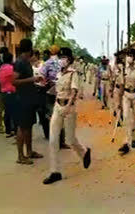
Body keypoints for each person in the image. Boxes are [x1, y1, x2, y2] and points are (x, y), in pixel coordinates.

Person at [43, 47, 91, 185]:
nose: (61, 60)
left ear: (69, 60)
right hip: (57, 106)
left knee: (70, 140)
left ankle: (84, 152)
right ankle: (55, 171)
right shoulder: (59, 74)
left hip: (68, 108)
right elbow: (57, 89)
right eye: (60, 57)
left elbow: (74, 91)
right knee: (53, 139)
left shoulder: (73, 74)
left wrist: (68, 105)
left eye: (64, 58)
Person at [13, 39, 44, 165]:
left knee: (29, 126)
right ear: (30, 49)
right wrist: (32, 79)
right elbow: (13, 81)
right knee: (22, 127)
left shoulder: (26, 62)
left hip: (29, 99)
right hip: (22, 99)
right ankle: (20, 156)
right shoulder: (20, 63)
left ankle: (29, 151)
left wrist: (34, 81)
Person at [42, 45, 70, 149]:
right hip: (62, 93)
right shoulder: (64, 63)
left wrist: (48, 82)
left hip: (50, 92)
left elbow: (42, 78)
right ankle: (61, 141)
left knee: (52, 116)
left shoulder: (47, 63)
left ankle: (54, 141)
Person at [118, 49, 135, 156]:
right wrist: (119, 101)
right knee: (126, 116)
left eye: (131, 55)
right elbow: (121, 85)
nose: (129, 58)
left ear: (134, 57)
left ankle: (134, 139)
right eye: (128, 55)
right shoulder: (123, 69)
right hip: (126, 95)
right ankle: (126, 141)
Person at [0, 52, 17, 138]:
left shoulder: (1, 68)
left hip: (4, 91)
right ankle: (13, 129)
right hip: (11, 91)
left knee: (7, 111)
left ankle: (8, 129)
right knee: (13, 111)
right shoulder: (11, 68)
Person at [32, 50, 49, 139]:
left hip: (42, 89)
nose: (31, 57)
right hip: (33, 89)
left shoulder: (43, 65)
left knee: (42, 112)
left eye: (33, 55)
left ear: (37, 56)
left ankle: (47, 133)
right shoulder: (30, 66)